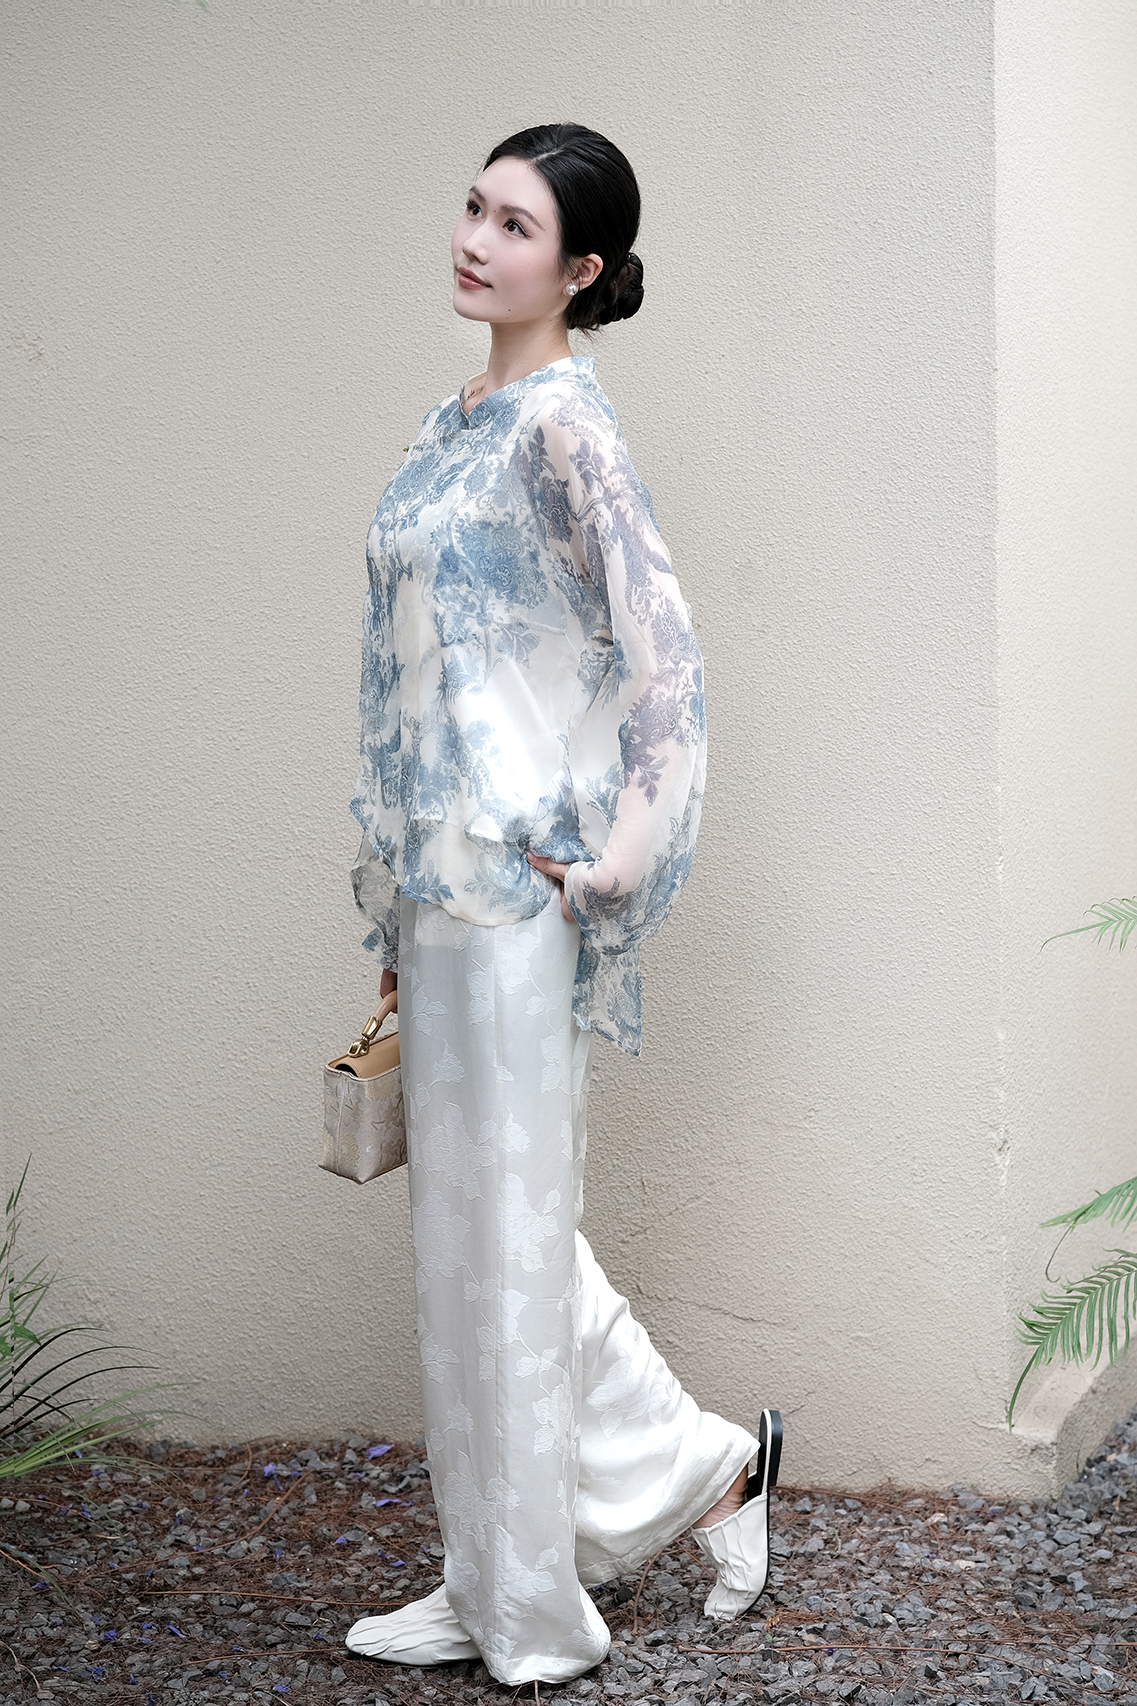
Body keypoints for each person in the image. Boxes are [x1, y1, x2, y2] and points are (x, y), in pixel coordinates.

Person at [343, 123, 782, 1688]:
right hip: (439, 888)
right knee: (468, 1250)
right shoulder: (451, 418)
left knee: (509, 1246)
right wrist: (393, 922)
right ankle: (593, 1525)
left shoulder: (567, 428)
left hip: (521, 896)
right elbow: (417, 679)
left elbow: (665, 662)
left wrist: (616, 855)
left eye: (514, 224)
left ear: (580, 268)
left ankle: (529, 1603)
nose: (475, 238)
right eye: (473, 205)